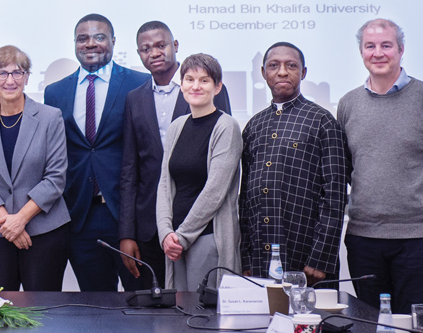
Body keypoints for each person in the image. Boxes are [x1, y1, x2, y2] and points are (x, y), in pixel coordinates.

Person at [338, 19, 423, 313]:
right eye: (370, 46)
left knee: (414, 323)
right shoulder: (348, 104)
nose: (378, 52)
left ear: (401, 49)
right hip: (363, 239)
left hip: (419, 240)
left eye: (386, 45)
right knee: (370, 323)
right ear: (361, 52)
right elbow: (347, 166)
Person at [119, 21, 230, 289]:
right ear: (139, 55)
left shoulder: (204, 89)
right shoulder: (135, 98)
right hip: (148, 226)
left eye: (160, 45)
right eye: (146, 48)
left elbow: (220, 162)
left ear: (175, 46)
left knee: (194, 308)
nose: (154, 52)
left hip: (199, 223)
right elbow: (129, 169)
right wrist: (127, 233)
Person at [43, 14, 149, 291]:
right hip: (80, 216)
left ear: (113, 41)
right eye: (83, 38)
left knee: (142, 302)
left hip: (126, 215)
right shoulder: (55, 92)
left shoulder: (140, 84)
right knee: (94, 305)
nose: (91, 44)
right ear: (75, 44)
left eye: (99, 37)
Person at [239, 42, 347, 285]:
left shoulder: (322, 121)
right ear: (263, 73)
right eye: (274, 65)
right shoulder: (254, 126)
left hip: (306, 256)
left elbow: (335, 194)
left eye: (291, 66)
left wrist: (321, 257)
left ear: (303, 72)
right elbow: (245, 199)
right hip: (259, 256)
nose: (282, 72)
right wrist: (245, 258)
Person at [0, 45, 70, 291]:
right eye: (2, 73)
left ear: (26, 77)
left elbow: (55, 177)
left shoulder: (50, 117)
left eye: (17, 72)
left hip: (44, 232)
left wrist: (21, 219)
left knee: (43, 314)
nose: (10, 80)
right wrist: (9, 224)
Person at [156, 53, 241, 292]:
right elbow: (164, 184)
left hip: (207, 238)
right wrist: (166, 233)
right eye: (189, 79)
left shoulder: (227, 126)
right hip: (174, 239)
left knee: (203, 316)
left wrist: (181, 237)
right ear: (181, 85)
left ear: (217, 87)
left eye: (204, 80)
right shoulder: (177, 127)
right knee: (179, 314)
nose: (196, 86)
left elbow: (215, 190)